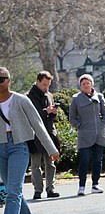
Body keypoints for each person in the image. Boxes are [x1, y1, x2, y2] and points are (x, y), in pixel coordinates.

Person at [0, 67, 59, 214]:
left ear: (8, 80)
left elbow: (38, 124)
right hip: (0, 147)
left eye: (0, 79)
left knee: (14, 189)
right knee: (12, 189)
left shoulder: (20, 100)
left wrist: (51, 149)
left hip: (19, 146)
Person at [69, 74, 105, 196]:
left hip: (99, 134)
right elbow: (72, 117)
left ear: (92, 84)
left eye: (88, 83)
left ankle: (95, 184)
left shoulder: (99, 96)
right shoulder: (76, 99)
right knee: (84, 160)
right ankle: (81, 186)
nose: (86, 85)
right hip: (84, 135)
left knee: (98, 160)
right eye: (83, 84)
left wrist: (101, 124)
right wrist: (79, 125)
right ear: (80, 86)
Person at [26, 71, 61, 199]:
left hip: (49, 132)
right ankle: (38, 190)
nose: (46, 88)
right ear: (38, 81)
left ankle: (50, 188)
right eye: (44, 84)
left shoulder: (49, 95)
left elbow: (51, 117)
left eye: (48, 85)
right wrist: (46, 111)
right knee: (35, 164)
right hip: (35, 134)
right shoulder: (29, 96)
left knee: (50, 163)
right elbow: (31, 116)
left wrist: (53, 112)